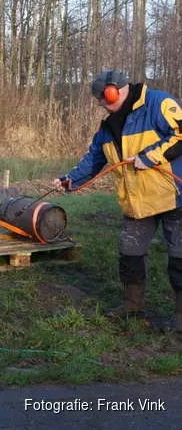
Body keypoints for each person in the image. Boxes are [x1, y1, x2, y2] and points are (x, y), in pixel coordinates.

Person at [52, 69, 182, 332]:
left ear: (114, 90)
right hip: (137, 201)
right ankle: (132, 305)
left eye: (102, 97)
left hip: (173, 196)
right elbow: (94, 159)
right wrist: (71, 180)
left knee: (179, 257)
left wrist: (151, 156)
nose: (100, 103)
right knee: (130, 253)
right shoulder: (107, 127)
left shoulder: (159, 103)